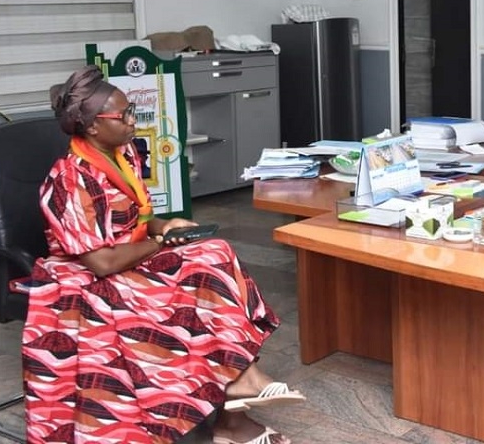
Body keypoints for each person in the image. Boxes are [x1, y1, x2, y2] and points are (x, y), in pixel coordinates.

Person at [22, 65, 304, 444]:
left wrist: (166, 226)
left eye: (131, 111)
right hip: (84, 274)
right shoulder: (69, 180)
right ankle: (230, 405)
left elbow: (142, 217)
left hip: (130, 254)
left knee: (214, 254)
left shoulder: (122, 154)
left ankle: (240, 382)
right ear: (91, 127)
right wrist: (161, 244)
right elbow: (100, 262)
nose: (132, 121)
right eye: (123, 116)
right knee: (190, 292)